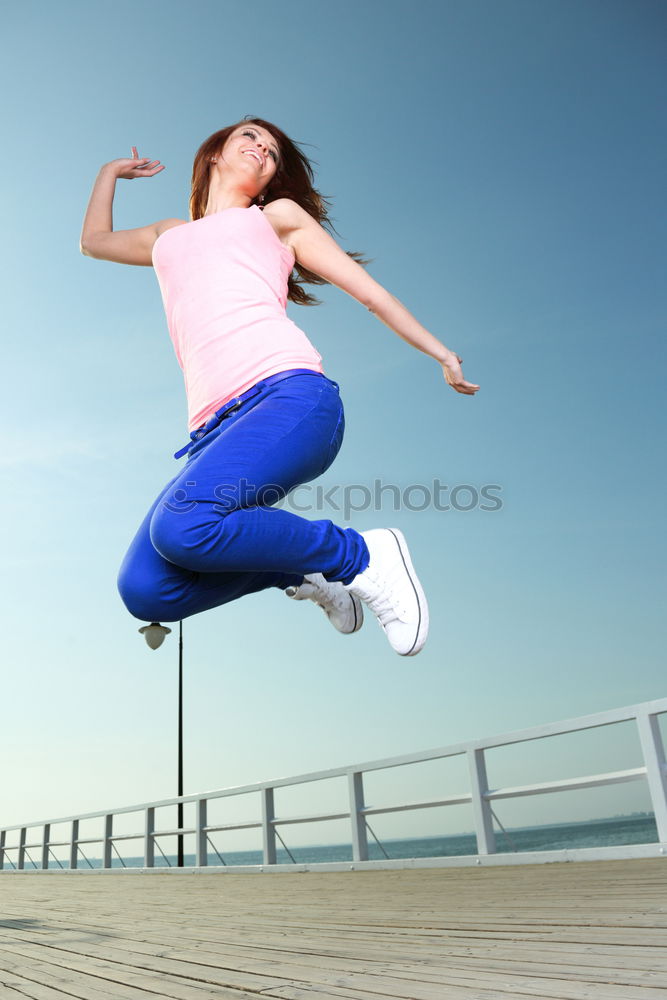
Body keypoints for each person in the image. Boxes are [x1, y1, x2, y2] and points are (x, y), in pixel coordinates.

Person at [80, 117, 480, 657]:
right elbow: (94, 243)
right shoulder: (166, 235)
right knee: (148, 590)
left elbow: (371, 294)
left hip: (289, 399)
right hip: (213, 433)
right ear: (215, 154)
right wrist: (109, 172)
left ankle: (361, 555)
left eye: (271, 151)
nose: (262, 149)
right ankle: (306, 575)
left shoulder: (276, 218)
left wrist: (441, 352)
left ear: (270, 182)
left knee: (183, 527)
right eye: (249, 137)